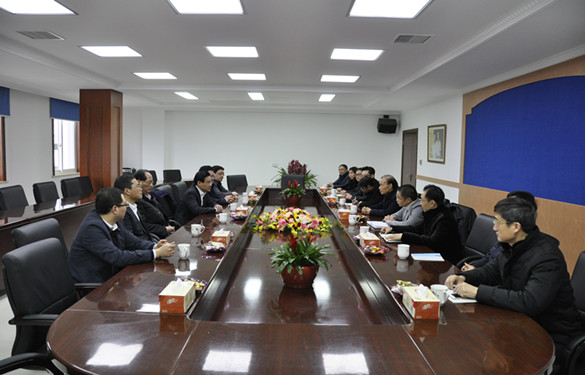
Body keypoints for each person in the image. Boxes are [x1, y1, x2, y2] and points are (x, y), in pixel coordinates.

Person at [445, 197, 583, 371]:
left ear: (516, 227)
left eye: (498, 222)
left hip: (551, 334)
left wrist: (476, 292)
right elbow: (491, 271)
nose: (494, 227)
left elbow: (529, 302)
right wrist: (465, 277)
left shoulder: (547, 257)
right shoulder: (511, 246)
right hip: (517, 323)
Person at [68, 187, 175, 283]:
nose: (127, 208)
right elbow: (117, 257)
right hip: (95, 286)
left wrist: (154, 246)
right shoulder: (92, 228)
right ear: (115, 209)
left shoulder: (115, 219)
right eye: (125, 205)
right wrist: (155, 253)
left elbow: (132, 241)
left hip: (113, 277)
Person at [384, 184, 464, 265]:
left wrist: (403, 236)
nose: (420, 204)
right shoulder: (430, 213)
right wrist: (394, 229)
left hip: (445, 259)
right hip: (431, 252)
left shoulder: (445, 218)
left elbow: (432, 241)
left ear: (432, 203)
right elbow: (417, 229)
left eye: (422, 200)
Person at [460, 190, 537, 271]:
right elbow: (489, 256)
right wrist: (472, 267)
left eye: (510, 204)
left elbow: (500, 278)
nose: (495, 228)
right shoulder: (505, 233)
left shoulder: (529, 251)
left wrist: (475, 271)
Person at [134, 169, 176, 238]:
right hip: (156, 236)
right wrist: (164, 230)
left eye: (152, 182)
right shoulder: (137, 202)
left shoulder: (150, 197)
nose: (152, 185)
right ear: (138, 182)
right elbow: (144, 226)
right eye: (149, 182)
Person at [113, 174, 153, 241]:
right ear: (127, 191)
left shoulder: (134, 206)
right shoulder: (123, 212)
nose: (141, 189)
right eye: (138, 186)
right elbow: (131, 240)